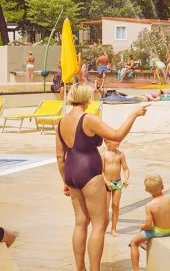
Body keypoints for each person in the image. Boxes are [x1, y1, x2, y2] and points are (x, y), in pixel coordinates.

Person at [55, 83, 149, 271]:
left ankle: (80, 268)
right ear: (86, 98)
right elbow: (117, 135)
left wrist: (66, 179)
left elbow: (59, 156)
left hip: (72, 171)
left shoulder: (61, 122)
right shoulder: (87, 119)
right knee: (99, 224)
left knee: (80, 222)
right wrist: (133, 115)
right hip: (89, 172)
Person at [129, 174, 170, 271]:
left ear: (147, 190)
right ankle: (145, 243)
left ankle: (135, 269)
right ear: (162, 187)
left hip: (158, 232)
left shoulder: (150, 205)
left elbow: (148, 225)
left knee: (133, 242)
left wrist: (142, 227)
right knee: (144, 235)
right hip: (169, 229)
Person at [102, 139, 130, 237]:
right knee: (105, 207)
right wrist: (106, 182)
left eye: (118, 141)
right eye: (115, 141)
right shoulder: (104, 155)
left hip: (117, 182)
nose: (118, 142)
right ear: (107, 142)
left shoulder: (120, 155)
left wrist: (126, 179)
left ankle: (113, 228)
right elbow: (101, 171)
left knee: (115, 205)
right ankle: (103, 226)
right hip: (106, 183)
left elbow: (126, 169)